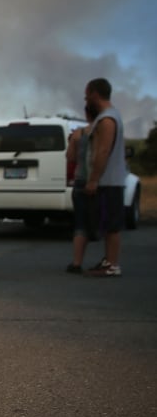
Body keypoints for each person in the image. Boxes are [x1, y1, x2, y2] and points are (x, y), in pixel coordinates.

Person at [82, 78, 127, 278]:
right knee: (109, 224)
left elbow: (103, 150)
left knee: (112, 225)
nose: (85, 98)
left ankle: (112, 264)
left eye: (87, 94)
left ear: (95, 94)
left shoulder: (107, 119)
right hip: (109, 180)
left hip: (109, 181)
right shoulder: (110, 116)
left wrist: (93, 179)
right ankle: (108, 260)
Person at [66, 103, 98, 274]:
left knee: (80, 223)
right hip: (102, 181)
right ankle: (109, 260)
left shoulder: (79, 133)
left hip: (81, 180)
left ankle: (77, 262)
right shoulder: (106, 131)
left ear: (87, 114)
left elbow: (70, 157)